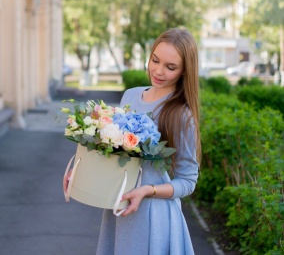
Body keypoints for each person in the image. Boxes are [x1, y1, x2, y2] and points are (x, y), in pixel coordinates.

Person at [64, 27, 201, 255]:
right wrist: (80, 172)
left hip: (152, 217)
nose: (158, 71)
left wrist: (148, 190)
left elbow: (188, 181)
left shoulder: (181, 114)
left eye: (171, 67)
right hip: (118, 207)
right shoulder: (130, 96)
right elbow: (112, 152)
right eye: (155, 60)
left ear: (185, 71)